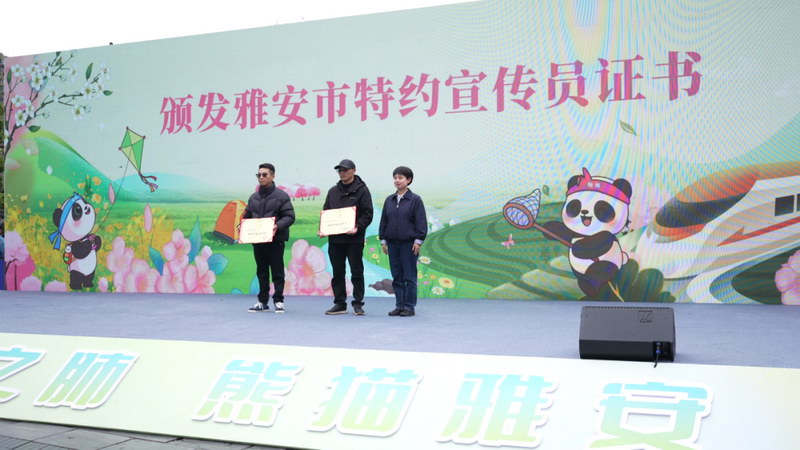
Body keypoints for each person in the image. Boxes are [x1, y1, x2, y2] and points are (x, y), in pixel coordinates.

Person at [320, 159, 373, 315]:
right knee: (337, 272)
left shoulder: (362, 190)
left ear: (354, 170)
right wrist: (322, 229)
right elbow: (326, 212)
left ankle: (358, 303)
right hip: (335, 240)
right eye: (339, 170)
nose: (342, 173)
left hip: (354, 239)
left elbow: (367, 214)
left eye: (345, 170)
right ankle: (340, 303)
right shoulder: (333, 191)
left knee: (356, 271)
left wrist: (357, 227)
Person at [244, 163, 295, 313]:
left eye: (264, 174)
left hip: (275, 241)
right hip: (258, 241)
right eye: (258, 175)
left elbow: (290, 216)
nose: (261, 177)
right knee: (261, 271)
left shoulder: (281, 196)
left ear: (273, 176)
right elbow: (247, 217)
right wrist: (243, 227)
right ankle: (262, 301)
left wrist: (277, 226)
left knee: (277, 272)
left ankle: (278, 301)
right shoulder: (253, 197)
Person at [379, 166, 427, 317]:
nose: (397, 180)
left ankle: (409, 307)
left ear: (409, 180)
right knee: (397, 276)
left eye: (400, 178)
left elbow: (421, 222)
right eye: (395, 178)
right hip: (392, 244)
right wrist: (383, 240)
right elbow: (384, 221)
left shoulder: (415, 200)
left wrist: (418, 241)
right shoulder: (389, 200)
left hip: (409, 244)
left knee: (409, 277)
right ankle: (399, 305)